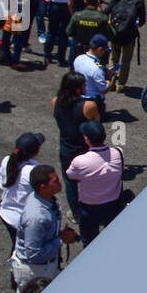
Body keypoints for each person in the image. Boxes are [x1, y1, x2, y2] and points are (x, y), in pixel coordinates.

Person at [11, 164, 79, 291]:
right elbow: (34, 254)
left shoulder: (47, 199)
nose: (60, 181)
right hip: (35, 270)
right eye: (55, 180)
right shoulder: (36, 217)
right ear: (43, 187)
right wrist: (61, 240)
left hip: (47, 265)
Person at [65, 120, 125, 246]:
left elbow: (70, 175)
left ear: (86, 139)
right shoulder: (119, 153)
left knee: (89, 242)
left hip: (90, 208)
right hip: (113, 204)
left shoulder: (80, 161)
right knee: (114, 239)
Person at [52, 71, 100, 217]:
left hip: (66, 148)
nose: (86, 86)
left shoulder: (55, 102)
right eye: (83, 85)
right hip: (85, 150)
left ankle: (76, 214)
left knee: (70, 183)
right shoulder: (88, 106)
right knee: (91, 181)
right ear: (77, 89)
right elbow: (97, 126)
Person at [0, 133, 44, 262]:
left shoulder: (7, 160)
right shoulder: (33, 170)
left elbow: (2, 184)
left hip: (6, 213)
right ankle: (18, 274)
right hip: (21, 219)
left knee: (17, 245)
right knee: (22, 250)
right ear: (36, 152)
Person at [106, 0, 146, 92]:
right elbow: (142, 21)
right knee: (125, 61)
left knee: (114, 58)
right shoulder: (139, 2)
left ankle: (111, 81)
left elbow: (107, 11)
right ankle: (121, 84)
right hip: (129, 35)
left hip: (115, 32)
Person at [74, 34, 112, 118]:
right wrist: (109, 78)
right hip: (94, 102)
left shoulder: (79, 58)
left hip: (79, 98)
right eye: (104, 51)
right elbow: (104, 90)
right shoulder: (96, 69)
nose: (104, 53)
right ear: (100, 49)